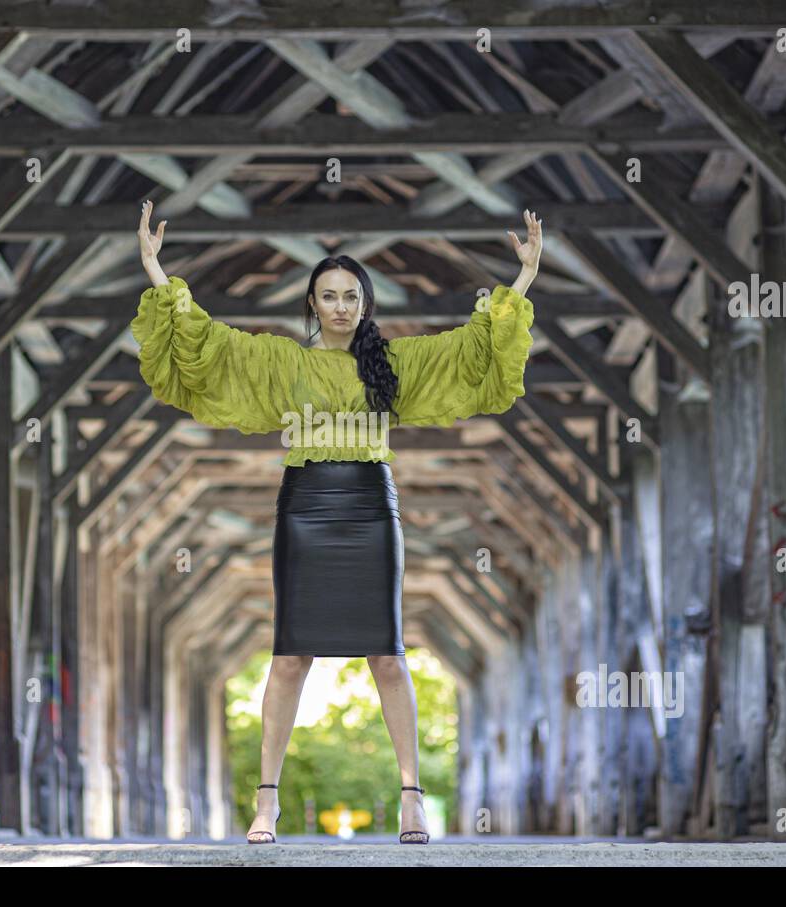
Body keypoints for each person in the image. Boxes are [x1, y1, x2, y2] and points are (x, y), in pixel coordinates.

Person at [133, 199, 542, 844]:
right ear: (312, 304)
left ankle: (411, 798)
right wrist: (158, 271)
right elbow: (207, 344)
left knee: (388, 656)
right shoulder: (282, 365)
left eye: (352, 295)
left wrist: (521, 280)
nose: (342, 306)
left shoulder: (395, 366)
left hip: (371, 514)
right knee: (290, 657)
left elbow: (472, 353)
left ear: (366, 302)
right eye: (329, 296)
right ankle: (265, 804)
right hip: (304, 512)